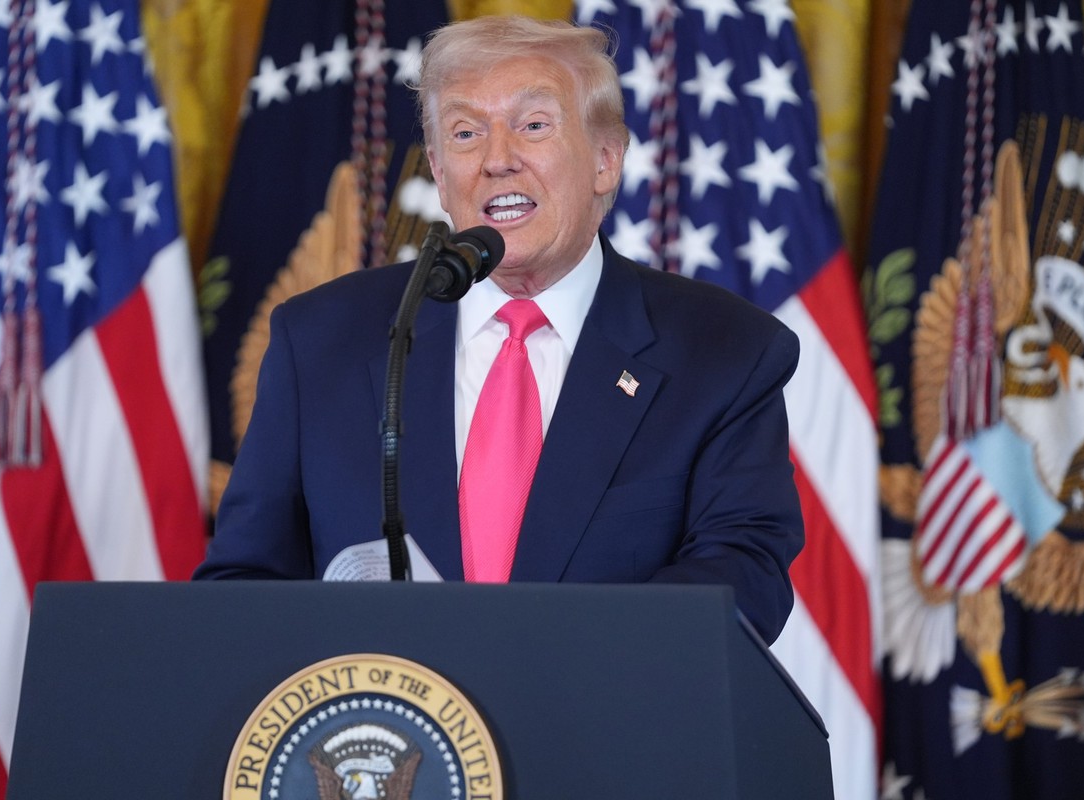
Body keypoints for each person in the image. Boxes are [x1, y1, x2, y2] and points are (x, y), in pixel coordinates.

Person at [194, 15, 804, 645]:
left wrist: (539, 674)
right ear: (437, 168)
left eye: (533, 125)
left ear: (605, 159)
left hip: (603, 732)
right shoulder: (321, 341)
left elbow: (743, 577)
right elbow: (244, 583)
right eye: (465, 133)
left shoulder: (724, 352)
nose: (497, 160)